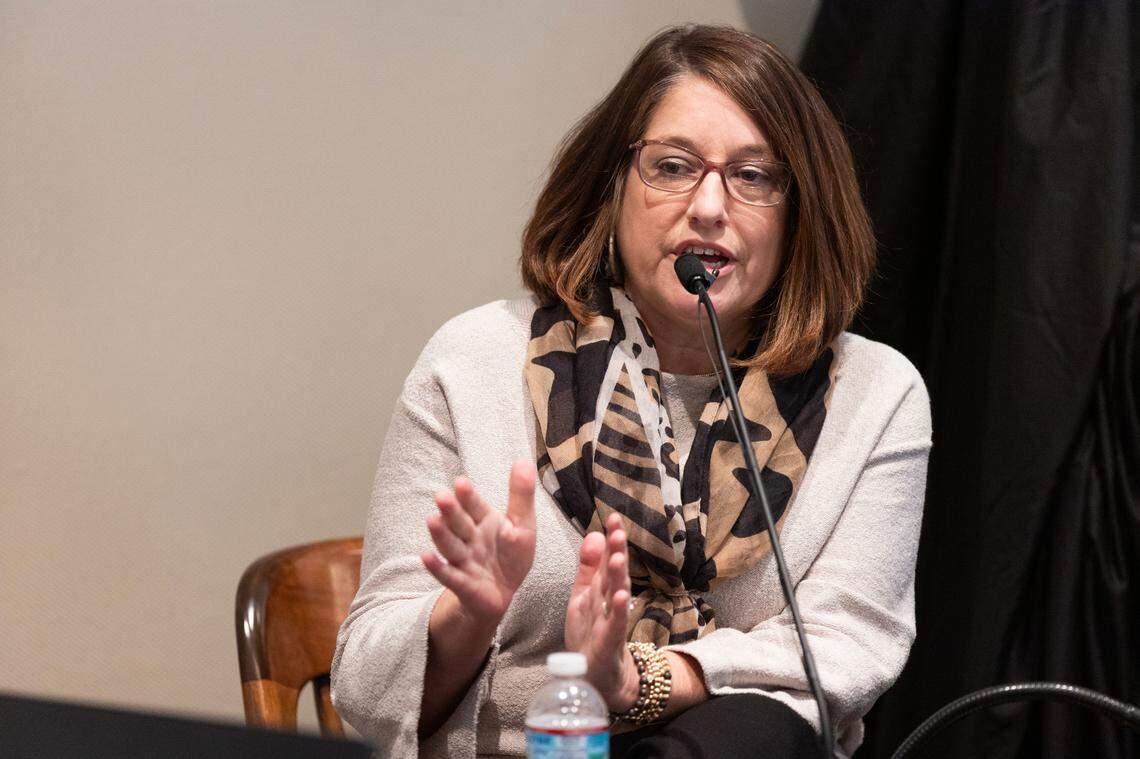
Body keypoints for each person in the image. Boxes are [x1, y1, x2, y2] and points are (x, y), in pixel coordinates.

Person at [330, 24, 931, 759]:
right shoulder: (474, 360)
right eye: (672, 167)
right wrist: (467, 617)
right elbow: (363, 687)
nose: (709, 206)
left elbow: (846, 644)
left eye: (752, 176)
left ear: (800, 210)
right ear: (611, 188)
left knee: (756, 730)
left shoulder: (874, 394)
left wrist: (642, 680)